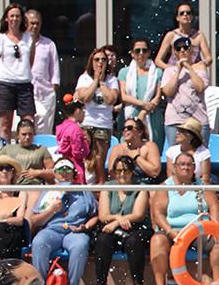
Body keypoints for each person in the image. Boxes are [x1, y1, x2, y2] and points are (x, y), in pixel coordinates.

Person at [148, 152, 219, 285]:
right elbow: (158, 213)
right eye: (182, 164)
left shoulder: (202, 186)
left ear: (194, 168)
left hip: (198, 230)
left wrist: (214, 228)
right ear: (175, 167)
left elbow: (214, 207)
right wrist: (170, 232)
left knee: (218, 243)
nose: (185, 167)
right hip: (172, 231)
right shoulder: (165, 187)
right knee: (157, 241)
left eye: (189, 164)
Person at [28, 158, 98, 285]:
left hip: (74, 231)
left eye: (68, 170)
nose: (64, 173)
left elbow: (96, 215)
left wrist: (86, 226)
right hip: (52, 230)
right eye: (61, 170)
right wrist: (52, 210)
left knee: (80, 244)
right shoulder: (47, 192)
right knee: (39, 242)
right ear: (55, 174)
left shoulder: (83, 191)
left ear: (73, 173)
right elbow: (35, 220)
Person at [95, 155, 152, 285]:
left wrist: (115, 222)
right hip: (114, 226)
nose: (122, 174)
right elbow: (103, 215)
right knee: (102, 240)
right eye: (118, 170)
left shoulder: (141, 187)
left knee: (134, 242)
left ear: (132, 171)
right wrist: (119, 219)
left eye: (126, 171)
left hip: (137, 227)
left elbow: (138, 215)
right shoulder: (108, 186)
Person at [0, 3, 37, 144]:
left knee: (28, 121)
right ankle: (5, 154)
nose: (14, 19)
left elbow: (31, 61)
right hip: (5, 84)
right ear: (6, 18)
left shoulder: (29, 38)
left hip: (24, 84)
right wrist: (8, 73)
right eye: (12, 16)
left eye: (17, 16)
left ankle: (26, 151)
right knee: (5, 124)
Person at [73, 48, 120, 184]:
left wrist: (102, 83)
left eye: (103, 60)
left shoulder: (112, 80)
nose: (100, 63)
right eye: (97, 60)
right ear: (91, 62)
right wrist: (95, 81)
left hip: (103, 125)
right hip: (87, 123)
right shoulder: (84, 78)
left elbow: (111, 99)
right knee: (85, 160)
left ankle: (100, 188)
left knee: (99, 161)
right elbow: (85, 97)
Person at [161, 36, 209, 148]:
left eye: (185, 47)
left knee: (200, 155)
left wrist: (189, 68)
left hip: (198, 120)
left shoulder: (200, 67)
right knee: (175, 156)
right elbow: (168, 92)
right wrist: (178, 70)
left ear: (191, 50)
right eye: (178, 48)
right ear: (175, 52)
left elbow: (200, 87)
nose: (182, 50)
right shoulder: (169, 71)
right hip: (175, 120)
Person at [118, 38, 164, 151]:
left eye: (144, 50)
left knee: (152, 149)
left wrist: (144, 111)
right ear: (132, 53)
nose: (141, 53)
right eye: (137, 50)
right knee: (128, 150)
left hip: (152, 116)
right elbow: (123, 96)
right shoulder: (124, 72)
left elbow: (158, 96)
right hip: (130, 116)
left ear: (149, 53)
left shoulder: (157, 72)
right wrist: (143, 104)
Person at [26, 10, 61, 134]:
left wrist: (53, 89)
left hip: (46, 93)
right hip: (26, 92)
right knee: (27, 127)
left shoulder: (49, 44)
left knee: (45, 129)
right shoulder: (21, 43)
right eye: (32, 23)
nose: (35, 26)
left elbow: (55, 69)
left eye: (37, 23)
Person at [154, 1, 213, 70]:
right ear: (177, 18)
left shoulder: (199, 35)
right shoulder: (171, 35)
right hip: (175, 74)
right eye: (182, 13)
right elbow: (158, 60)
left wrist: (201, 65)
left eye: (188, 13)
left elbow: (208, 58)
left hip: (194, 73)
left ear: (191, 17)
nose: (185, 15)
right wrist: (171, 69)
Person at [0, 118, 55, 185]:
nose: (27, 137)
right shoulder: (7, 150)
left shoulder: (42, 150)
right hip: (13, 186)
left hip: (34, 186)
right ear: (17, 135)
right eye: (24, 134)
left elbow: (53, 172)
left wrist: (37, 173)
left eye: (30, 134)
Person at [107, 117, 162, 184]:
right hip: (123, 185)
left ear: (140, 132)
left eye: (129, 128)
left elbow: (154, 172)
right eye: (123, 128)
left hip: (146, 185)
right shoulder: (117, 149)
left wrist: (137, 157)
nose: (125, 130)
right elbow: (112, 173)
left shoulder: (150, 146)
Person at [165, 117, 211, 184]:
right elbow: (170, 175)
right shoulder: (171, 151)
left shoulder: (204, 152)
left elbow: (205, 177)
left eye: (182, 131)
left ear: (191, 135)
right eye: (178, 130)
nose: (177, 133)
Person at [55, 98, 90, 184]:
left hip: (63, 161)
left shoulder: (62, 126)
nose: (84, 114)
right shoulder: (75, 129)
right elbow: (78, 152)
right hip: (74, 164)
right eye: (83, 111)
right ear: (78, 111)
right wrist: (86, 144)